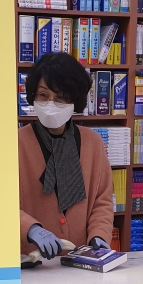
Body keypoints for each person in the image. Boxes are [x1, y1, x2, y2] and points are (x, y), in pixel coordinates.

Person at [20, 53, 114, 260]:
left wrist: (99, 236)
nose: (51, 103)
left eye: (60, 97)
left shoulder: (93, 142)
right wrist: (30, 228)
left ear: (74, 101)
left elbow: (102, 201)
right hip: (31, 261)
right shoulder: (14, 143)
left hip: (81, 261)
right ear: (33, 95)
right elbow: (0, 202)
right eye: (43, 95)